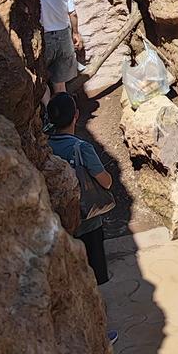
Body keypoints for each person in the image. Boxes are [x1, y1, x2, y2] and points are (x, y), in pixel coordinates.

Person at [46, 90, 113, 285]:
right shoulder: (82, 147)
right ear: (75, 116)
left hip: (61, 220)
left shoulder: (45, 145)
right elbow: (105, 181)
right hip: (88, 221)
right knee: (96, 273)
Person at [37, 0, 85, 95]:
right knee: (60, 84)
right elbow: (72, 13)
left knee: (42, 82)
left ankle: (47, 115)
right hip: (63, 36)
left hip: (44, 38)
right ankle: (64, 114)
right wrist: (75, 33)